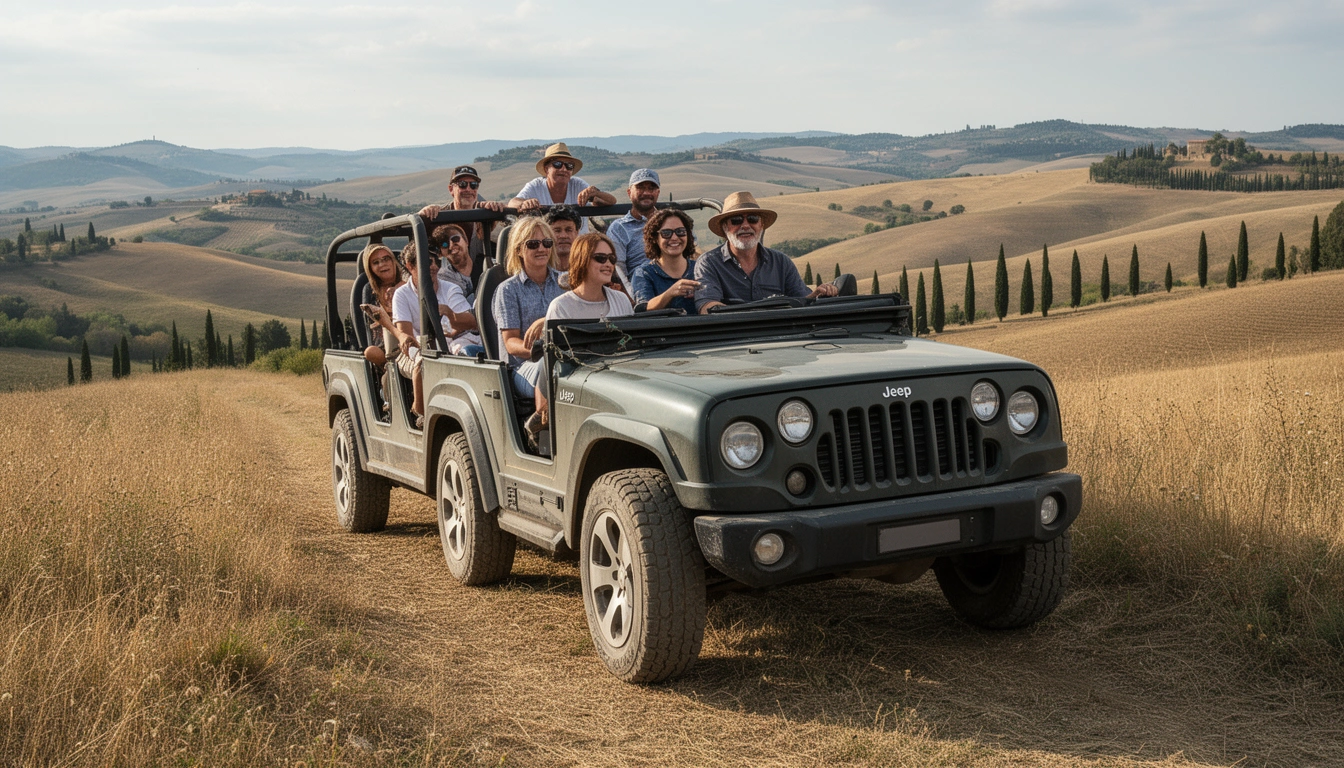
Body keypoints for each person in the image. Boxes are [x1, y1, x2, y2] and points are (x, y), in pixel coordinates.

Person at [524, 233, 634, 454]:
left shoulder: (621, 300)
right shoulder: (561, 307)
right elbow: (555, 363)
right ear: (583, 260)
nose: (608, 264)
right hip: (578, 385)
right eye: (600, 258)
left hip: (620, 380)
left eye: (612, 259)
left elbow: (633, 347)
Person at [694, 191, 838, 313]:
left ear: (761, 225)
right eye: (736, 220)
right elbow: (707, 308)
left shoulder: (781, 262)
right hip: (733, 341)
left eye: (753, 219)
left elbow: (803, 302)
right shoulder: (709, 263)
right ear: (725, 227)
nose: (745, 225)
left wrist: (819, 294)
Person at [392, 240, 483, 425]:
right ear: (410, 266)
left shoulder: (449, 289)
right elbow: (406, 336)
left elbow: (471, 321)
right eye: (427, 262)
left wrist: (451, 314)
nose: (433, 267)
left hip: (452, 343)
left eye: (436, 262)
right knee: (423, 361)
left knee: (470, 356)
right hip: (416, 347)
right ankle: (422, 412)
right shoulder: (402, 295)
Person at [492, 217, 564, 405]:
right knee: (549, 368)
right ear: (518, 250)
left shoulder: (566, 282)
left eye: (546, 243)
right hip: (523, 368)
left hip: (565, 357)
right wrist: (545, 351)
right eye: (533, 244)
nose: (541, 249)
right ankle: (542, 421)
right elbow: (511, 343)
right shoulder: (507, 290)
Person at [418, 165, 504, 285]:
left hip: (480, 282)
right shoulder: (437, 217)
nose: (468, 189)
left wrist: (497, 210)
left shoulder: (485, 215)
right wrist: (424, 215)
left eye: (473, 185)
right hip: (447, 283)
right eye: (462, 184)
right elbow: (417, 241)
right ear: (451, 189)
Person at [508, 143, 616, 232]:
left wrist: (595, 193)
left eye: (569, 166)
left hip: (578, 250)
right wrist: (524, 204)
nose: (564, 169)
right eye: (558, 164)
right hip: (548, 249)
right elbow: (513, 202)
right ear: (547, 169)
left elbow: (611, 201)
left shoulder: (578, 185)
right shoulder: (536, 186)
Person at [632, 208, 699, 314]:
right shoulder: (644, 273)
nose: (674, 237)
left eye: (680, 232)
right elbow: (643, 308)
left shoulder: (701, 269)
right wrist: (671, 293)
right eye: (666, 233)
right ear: (654, 238)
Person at [358, 242, 410, 369]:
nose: (382, 264)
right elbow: (372, 323)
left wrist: (399, 289)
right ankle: (390, 370)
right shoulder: (370, 291)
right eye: (376, 262)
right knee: (370, 352)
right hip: (385, 346)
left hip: (411, 335)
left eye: (386, 259)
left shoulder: (409, 281)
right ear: (370, 268)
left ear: (393, 261)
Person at [605, 168, 660, 284]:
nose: (646, 193)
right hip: (637, 290)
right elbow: (618, 272)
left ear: (658, 193)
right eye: (640, 188)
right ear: (629, 193)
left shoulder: (670, 222)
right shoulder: (619, 228)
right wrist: (630, 298)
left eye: (651, 188)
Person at [432, 223, 474, 301]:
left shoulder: (489, 267)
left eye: (455, 239)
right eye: (445, 244)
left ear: (466, 241)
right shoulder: (442, 280)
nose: (451, 246)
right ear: (440, 253)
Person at [543, 205, 582, 273]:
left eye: (568, 230)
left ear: (577, 233)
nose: (563, 236)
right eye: (557, 230)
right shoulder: (538, 270)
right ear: (547, 233)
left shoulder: (588, 269)